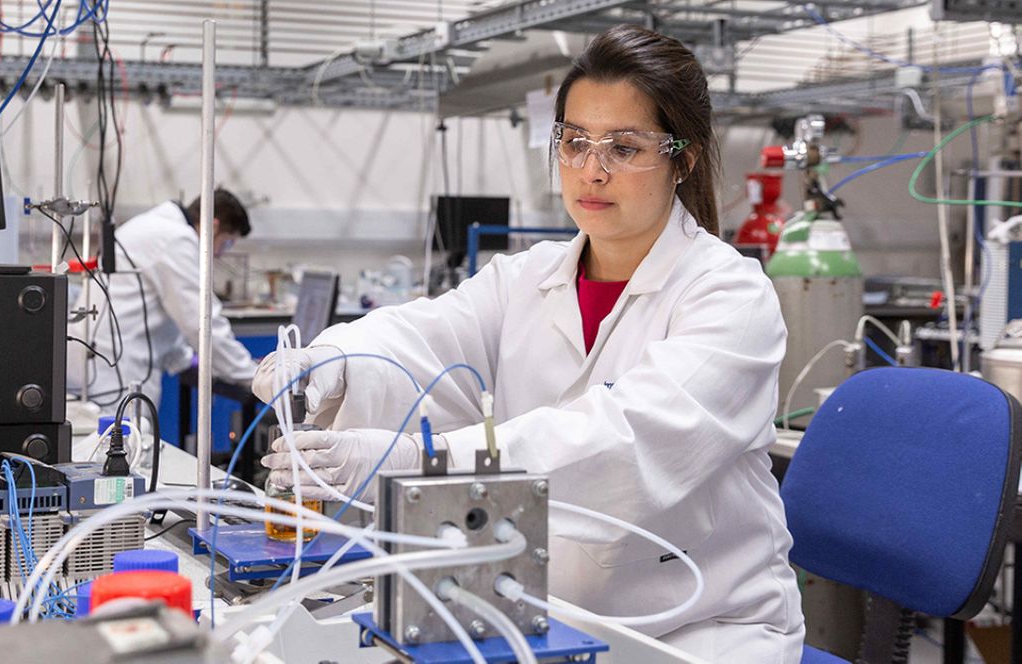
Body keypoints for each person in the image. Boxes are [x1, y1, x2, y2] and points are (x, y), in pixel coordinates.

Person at [254, 26, 804, 662]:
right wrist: (331, 363)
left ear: (683, 157)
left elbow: (622, 443)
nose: (591, 171)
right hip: (540, 612)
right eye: (574, 142)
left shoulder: (730, 296)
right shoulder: (526, 278)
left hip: (698, 630)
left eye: (624, 147)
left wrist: (413, 461)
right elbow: (422, 337)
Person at [69, 188, 258, 413]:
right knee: (125, 443)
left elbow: (158, 308)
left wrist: (186, 359)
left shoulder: (153, 226)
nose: (219, 254)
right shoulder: (176, 239)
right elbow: (203, 322)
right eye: (226, 243)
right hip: (115, 372)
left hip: (97, 362)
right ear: (213, 226)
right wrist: (253, 375)